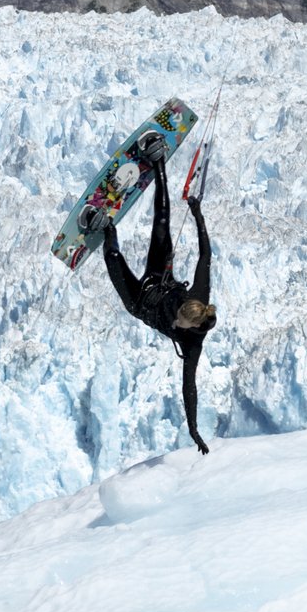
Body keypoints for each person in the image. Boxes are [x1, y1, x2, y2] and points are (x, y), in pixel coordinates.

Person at [93, 133, 217, 454]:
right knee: (163, 221)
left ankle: (106, 227)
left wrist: (193, 430)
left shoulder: (192, 345)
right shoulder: (200, 296)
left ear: (192, 328)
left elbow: (189, 386)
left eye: (180, 323)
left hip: (141, 304)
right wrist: (198, 214)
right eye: (181, 314)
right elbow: (206, 256)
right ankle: (157, 159)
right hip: (162, 280)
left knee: (113, 259)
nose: (177, 321)